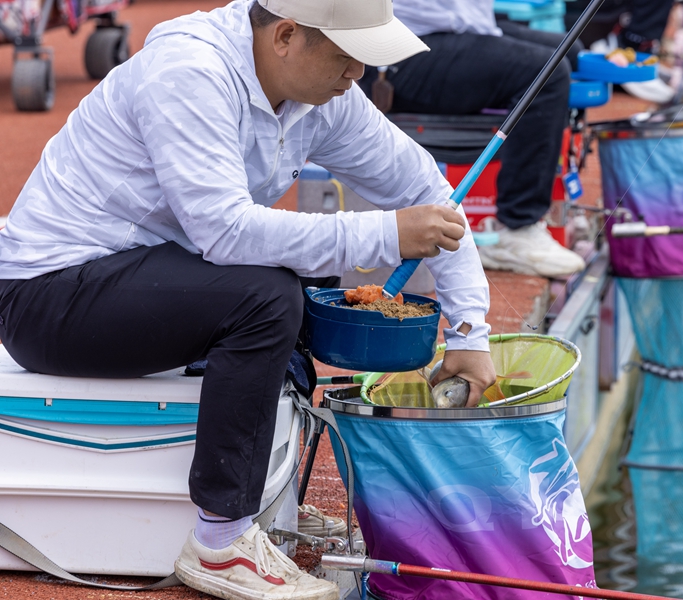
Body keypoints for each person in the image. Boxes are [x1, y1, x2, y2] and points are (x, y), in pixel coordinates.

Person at [0, 0, 496, 598]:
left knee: (293, 281)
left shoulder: (320, 92)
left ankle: (266, 502)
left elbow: (428, 190)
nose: (358, 76)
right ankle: (220, 544)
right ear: (287, 35)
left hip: (138, 277)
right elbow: (225, 232)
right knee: (266, 296)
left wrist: (471, 333)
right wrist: (386, 233)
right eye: (347, 58)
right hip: (46, 298)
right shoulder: (189, 70)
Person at [358, 0, 587, 280]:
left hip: (455, 25)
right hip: (401, 50)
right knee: (548, 72)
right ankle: (517, 228)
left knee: (572, 49)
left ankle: (556, 200)